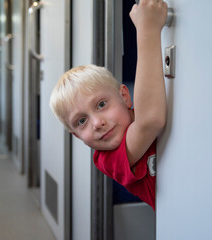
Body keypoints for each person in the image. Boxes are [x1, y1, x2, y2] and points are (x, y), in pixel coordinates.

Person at [49, 0, 168, 210]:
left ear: (125, 96)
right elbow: (150, 121)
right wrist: (147, 28)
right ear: (76, 136)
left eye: (102, 104)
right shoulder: (107, 158)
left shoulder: (141, 105)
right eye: (81, 121)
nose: (97, 123)